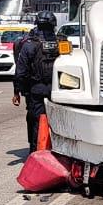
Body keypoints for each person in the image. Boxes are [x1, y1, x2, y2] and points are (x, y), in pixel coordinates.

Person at [12, 11, 60, 152]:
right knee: (60, 121)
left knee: (35, 122)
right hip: (57, 92)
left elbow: (20, 72)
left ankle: (36, 152)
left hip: (35, 91)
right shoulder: (61, 43)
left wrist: (17, 92)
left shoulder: (28, 45)